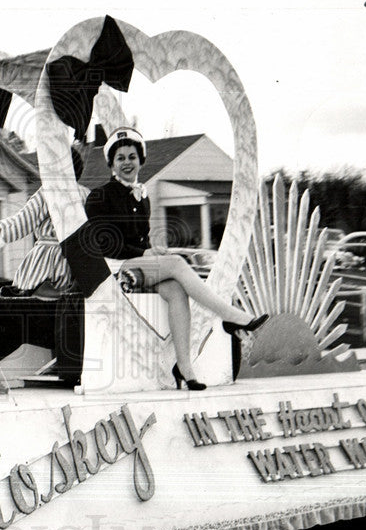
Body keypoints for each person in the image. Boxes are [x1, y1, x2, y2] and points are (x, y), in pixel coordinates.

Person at [84, 128, 267, 391]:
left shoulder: (142, 197)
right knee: (179, 264)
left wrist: (150, 249)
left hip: (135, 268)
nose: (127, 163)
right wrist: (142, 253)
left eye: (132, 157)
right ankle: (230, 315)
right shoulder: (100, 195)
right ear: (111, 164)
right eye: (121, 158)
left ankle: (184, 367)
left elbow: (139, 240)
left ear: (141, 160)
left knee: (177, 291)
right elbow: (101, 242)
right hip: (111, 269)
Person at [0, 148, 89, 296]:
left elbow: (19, 225)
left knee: (31, 302)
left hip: (47, 265)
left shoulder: (48, 193)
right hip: (76, 268)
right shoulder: (87, 194)